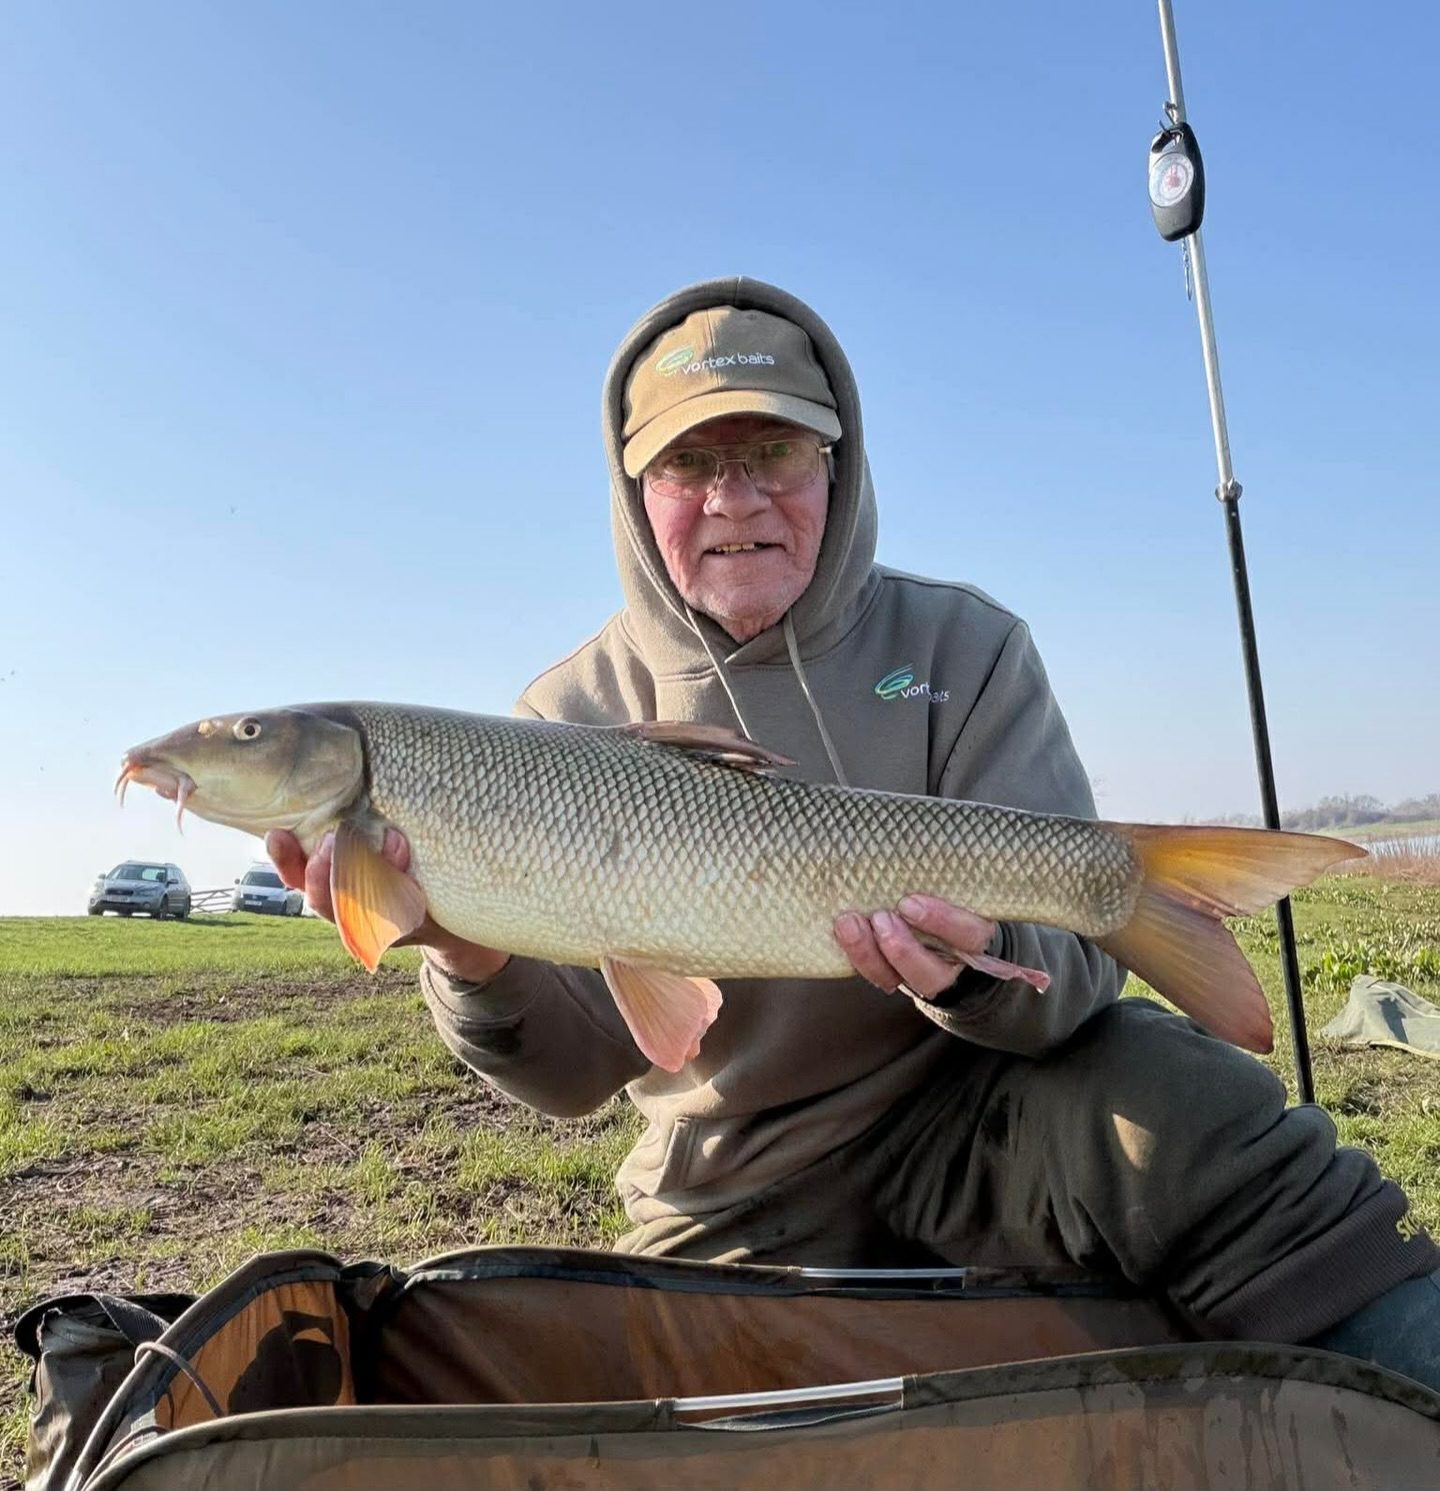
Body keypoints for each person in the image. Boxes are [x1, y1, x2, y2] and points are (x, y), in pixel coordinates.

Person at [270, 276, 1440, 1382]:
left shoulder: (965, 650)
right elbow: (576, 1077)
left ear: (837, 460)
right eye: (690, 463)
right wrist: (465, 955)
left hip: (976, 1109)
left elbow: (1076, 990)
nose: (735, 499)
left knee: (1186, 1100)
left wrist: (974, 971)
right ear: (633, 490)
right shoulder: (562, 720)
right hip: (731, 1174)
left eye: (774, 452)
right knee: (702, 1408)